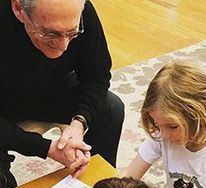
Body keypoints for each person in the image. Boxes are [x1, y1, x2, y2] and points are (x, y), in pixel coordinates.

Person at [0, 0, 124, 187]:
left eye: (72, 33)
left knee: (110, 108)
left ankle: (100, 182)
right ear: (18, 9)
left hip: (49, 88)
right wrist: (45, 148)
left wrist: (79, 123)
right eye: (51, 33)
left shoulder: (81, 10)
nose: (63, 46)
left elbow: (97, 77)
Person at [121, 61, 206, 187]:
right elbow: (129, 175)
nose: (164, 135)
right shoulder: (162, 132)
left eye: (172, 127)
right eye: (157, 124)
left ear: (198, 117)